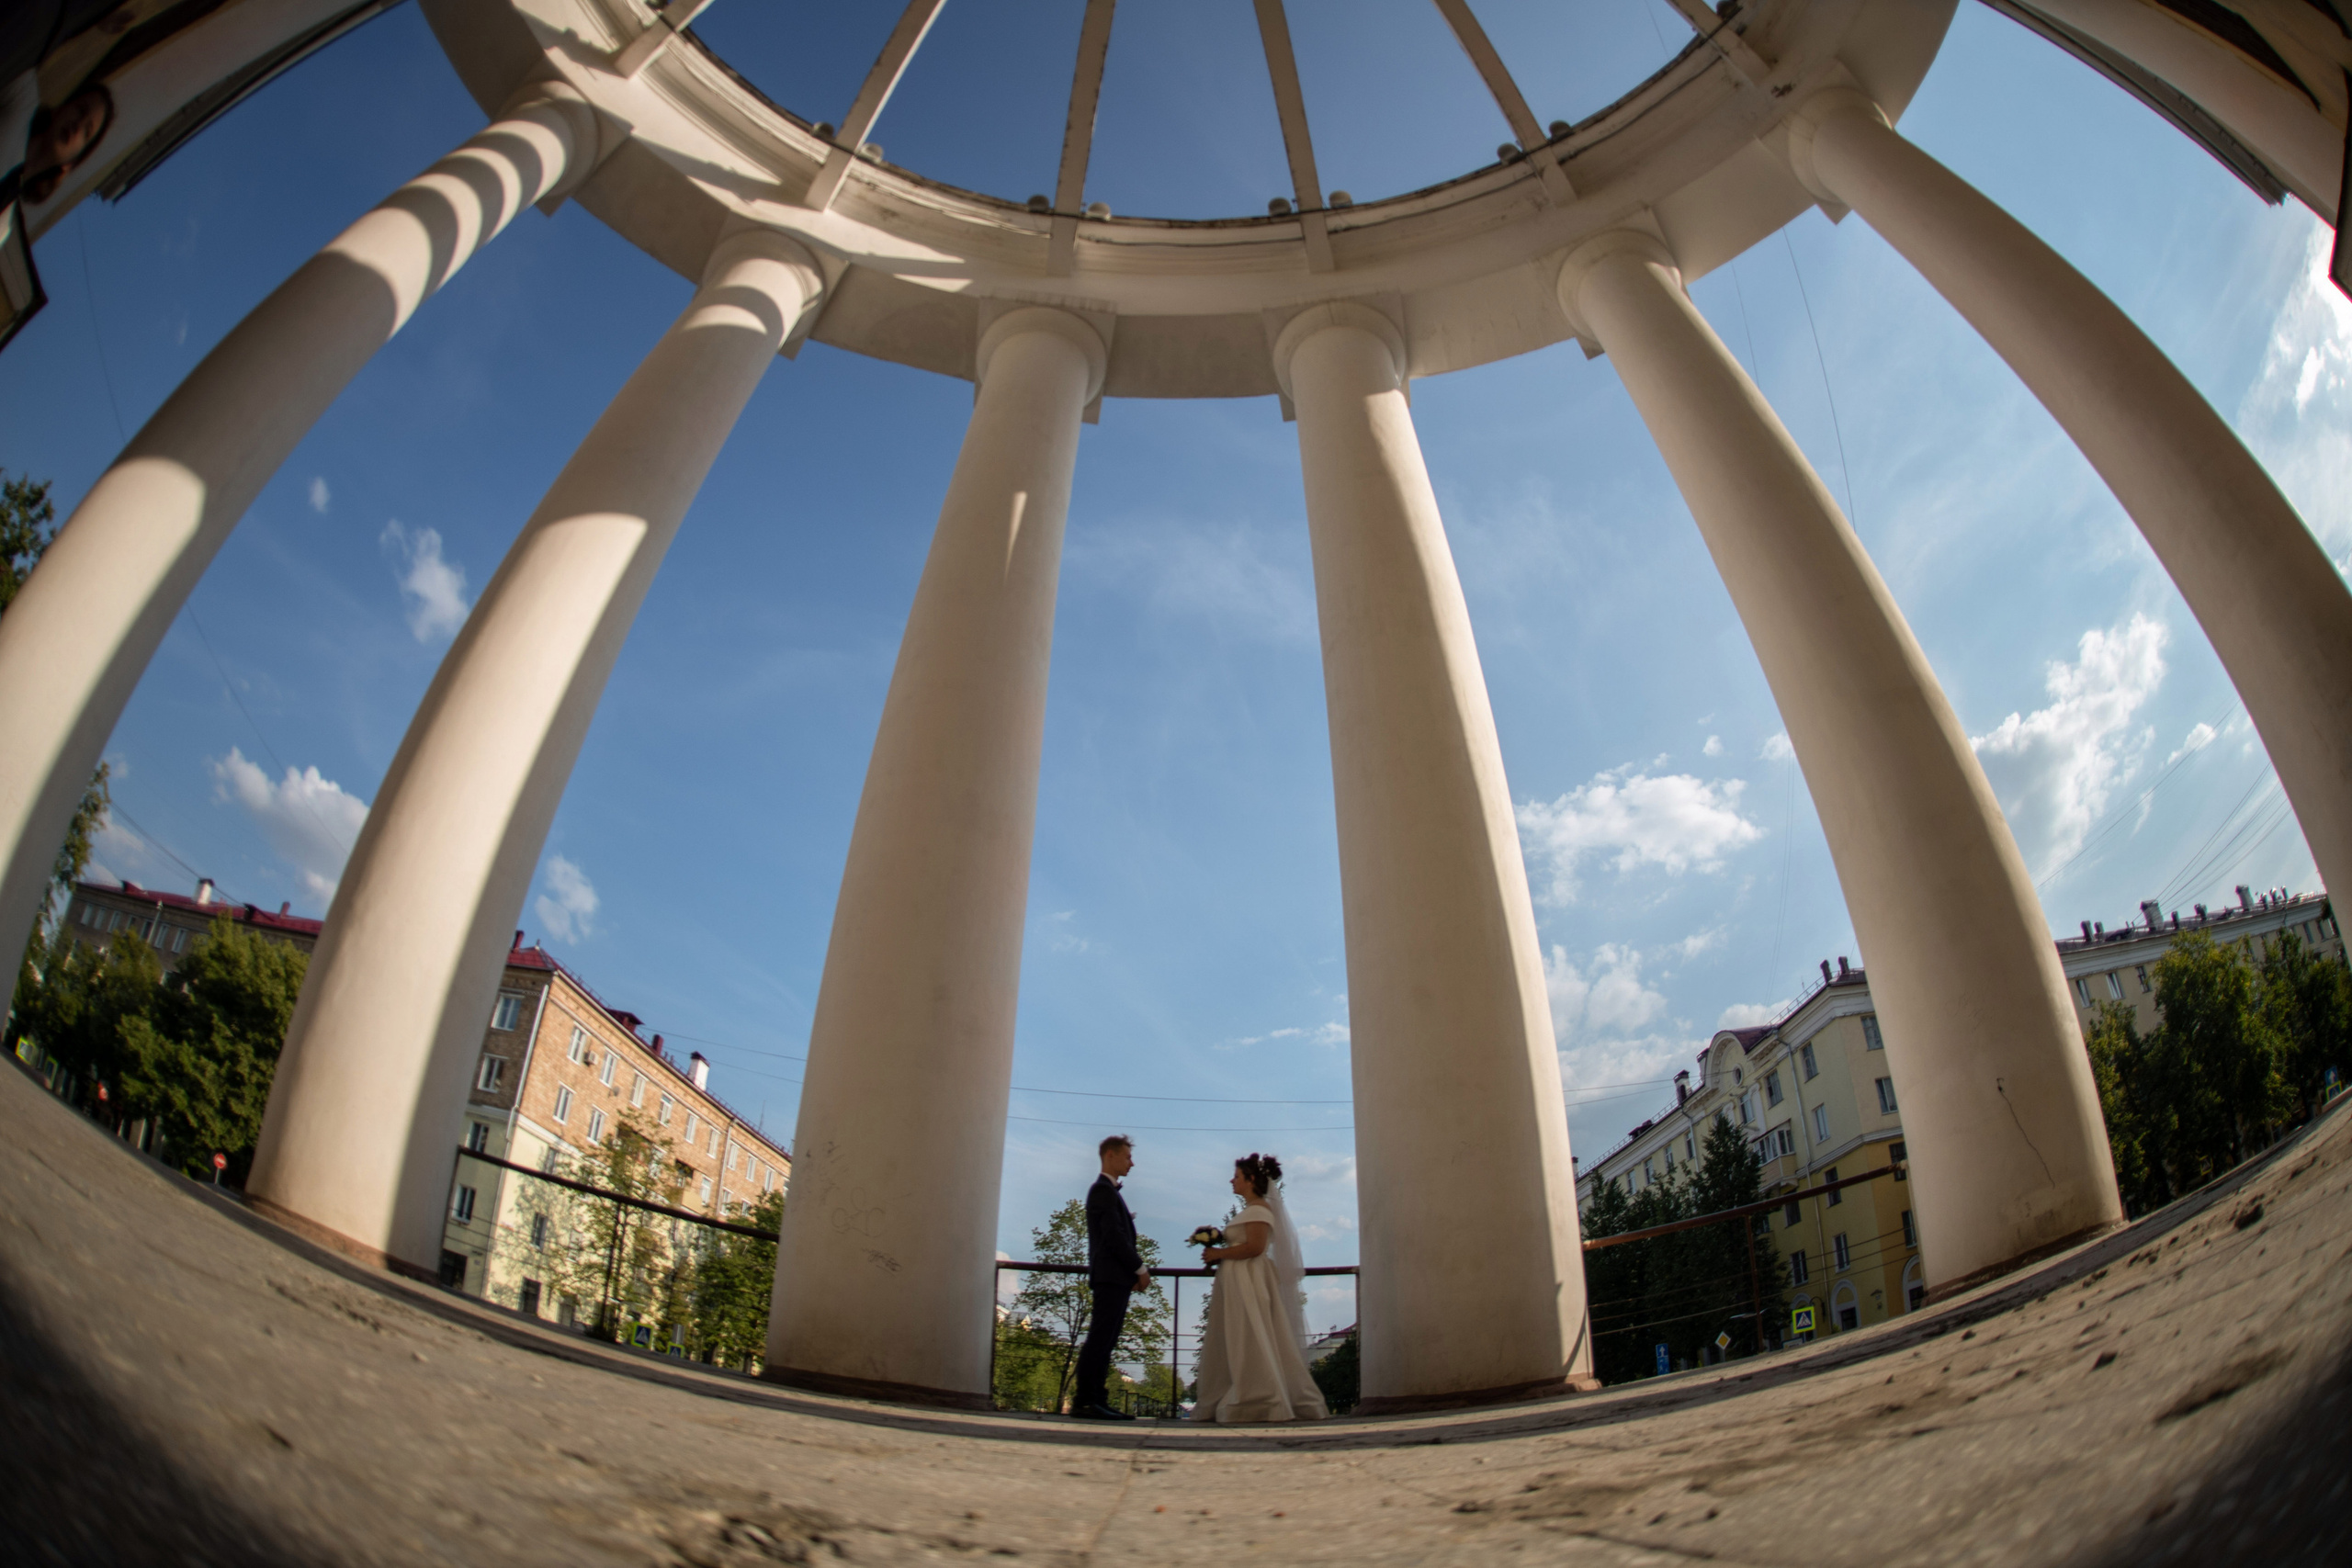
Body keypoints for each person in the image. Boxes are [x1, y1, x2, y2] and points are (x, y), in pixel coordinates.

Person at [1191, 1152, 1329, 1424]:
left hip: (1249, 1280)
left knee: (1251, 1334)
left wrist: (1219, 1254)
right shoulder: (1251, 1210)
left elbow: (1255, 1247)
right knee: (1242, 1335)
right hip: (1239, 1280)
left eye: (1237, 1176)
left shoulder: (1258, 1210)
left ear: (1251, 1179)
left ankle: (1260, 1397)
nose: (1232, 1181)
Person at [1070, 1134, 1148, 1421]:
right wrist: (1140, 1268)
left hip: (1114, 1278)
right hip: (1110, 1277)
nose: (1132, 1163)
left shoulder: (1108, 1192)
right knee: (1100, 1340)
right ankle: (1086, 1400)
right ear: (1110, 1155)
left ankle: (1096, 1399)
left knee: (1105, 1340)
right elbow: (1113, 1236)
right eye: (1128, 1156)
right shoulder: (1102, 1190)